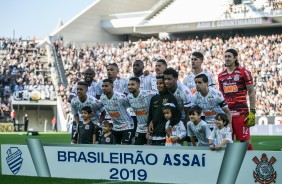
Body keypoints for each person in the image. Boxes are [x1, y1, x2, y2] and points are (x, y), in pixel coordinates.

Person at [218, 49, 256, 150]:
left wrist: (252, 112)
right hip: (227, 114)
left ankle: (251, 164)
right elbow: (221, 95)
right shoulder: (221, 76)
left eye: (229, 56)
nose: (227, 58)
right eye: (225, 56)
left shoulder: (244, 72)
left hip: (241, 113)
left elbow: (251, 92)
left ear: (235, 58)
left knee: (245, 142)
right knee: (226, 141)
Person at [147, 74, 181, 146]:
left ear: (165, 84)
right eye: (157, 84)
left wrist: (171, 125)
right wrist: (149, 124)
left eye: (161, 83)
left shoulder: (171, 97)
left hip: (166, 135)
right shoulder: (154, 98)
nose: (158, 85)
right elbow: (150, 114)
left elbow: (178, 114)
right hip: (155, 134)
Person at [100, 79, 134, 145]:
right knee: (115, 148)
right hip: (115, 127)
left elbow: (131, 106)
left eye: (106, 86)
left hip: (127, 126)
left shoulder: (121, 97)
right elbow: (101, 109)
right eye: (103, 86)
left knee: (125, 147)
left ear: (112, 86)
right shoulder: (102, 98)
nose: (104, 88)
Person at [127, 77, 156, 145]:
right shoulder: (129, 97)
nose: (130, 86)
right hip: (139, 128)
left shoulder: (148, 94)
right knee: (137, 149)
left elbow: (159, 96)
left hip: (150, 128)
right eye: (128, 85)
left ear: (139, 85)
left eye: (132, 84)